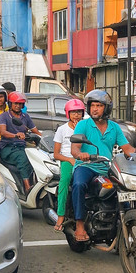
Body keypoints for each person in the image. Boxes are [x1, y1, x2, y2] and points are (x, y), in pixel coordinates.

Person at [70, 89, 136, 242]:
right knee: (79, 184)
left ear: (106, 108)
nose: (94, 108)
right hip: (86, 166)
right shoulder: (83, 125)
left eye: (99, 105)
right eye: (92, 105)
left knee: (122, 191)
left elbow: (127, 148)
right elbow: (75, 148)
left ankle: (124, 221)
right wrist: (80, 155)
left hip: (107, 167)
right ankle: (80, 224)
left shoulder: (114, 127)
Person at [0, 91, 41, 192]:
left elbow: (35, 131)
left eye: (20, 104)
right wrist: (15, 135)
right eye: (15, 103)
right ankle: (27, 187)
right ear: (10, 104)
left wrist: (49, 137)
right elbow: (3, 132)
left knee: (36, 157)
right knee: (23, 158)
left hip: (22, 146)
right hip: (8, 147)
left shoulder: (25, 117)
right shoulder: (4, 116)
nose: (18, 106)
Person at [52, 99, 85, 232]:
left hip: (83, 160)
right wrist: (69, 160)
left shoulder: (86, 127)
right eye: (73, 112)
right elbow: (56, 154)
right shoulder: (62, 130)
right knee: (64, 181)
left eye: (79, 112)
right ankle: (60, 215)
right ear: (68, 114)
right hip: (67, 160)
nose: (76, 115)